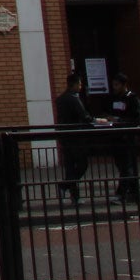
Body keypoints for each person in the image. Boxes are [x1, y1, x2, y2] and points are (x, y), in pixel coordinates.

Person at [54, 71, 92, 199]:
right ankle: (65, 186)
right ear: (74, 84)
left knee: (70, 166)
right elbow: (84, 116)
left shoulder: (60, 99)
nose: (81, 87)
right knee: (82, 164)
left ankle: (74, 196)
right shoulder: (74, 99)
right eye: (79, 84)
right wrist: (95, 120)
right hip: (76, 137)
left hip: (64, 136)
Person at [107, 72, 140, 203]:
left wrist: (120, 120)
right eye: (113, 85)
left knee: (126, 166)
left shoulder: (132, 98)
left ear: (124, 85)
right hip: (117, 137)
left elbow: (137, 117)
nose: (114, 87)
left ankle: (121, 194)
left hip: (128, 137)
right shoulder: (115, 99)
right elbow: (112, 113)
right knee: (123, 166)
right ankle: (134, 192)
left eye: (117, 85)